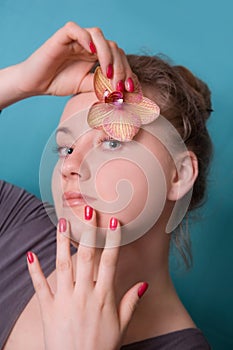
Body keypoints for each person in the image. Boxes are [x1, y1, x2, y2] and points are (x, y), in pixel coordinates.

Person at [0, 22, 212, 349]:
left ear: (179, 174)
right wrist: (19, 82)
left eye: (111, 143)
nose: (70, 165)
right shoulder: (16, 225)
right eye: (66, 149)